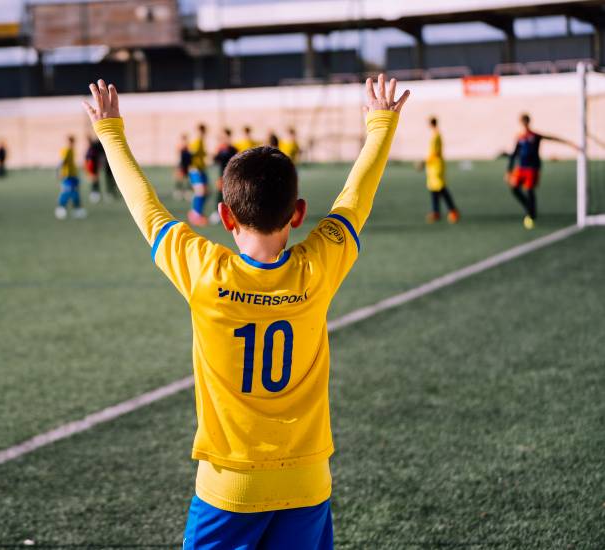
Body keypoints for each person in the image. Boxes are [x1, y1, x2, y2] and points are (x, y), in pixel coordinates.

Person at [83, 75, 409, 548]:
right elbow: (354, 202)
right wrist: (380, 125)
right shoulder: (317, 266)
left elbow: (148, 210)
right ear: (297, 214)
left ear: (226, 215)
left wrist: (110, 131)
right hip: (306, 479)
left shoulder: (204, 271)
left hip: (230, 483)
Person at [506, 113, 576, 229]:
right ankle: (529, 207)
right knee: (514, 188)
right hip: (521, 168)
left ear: (528, 122)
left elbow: (552, 138)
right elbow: (514, 154)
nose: (524, 125)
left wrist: (569, 143)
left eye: (525, 122)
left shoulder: (535, 136)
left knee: (529, 190)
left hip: (533, 167)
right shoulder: (519, 137)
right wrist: (509, 170)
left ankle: (531, 214)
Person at [425, 117, 459, 223]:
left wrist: (424, 162)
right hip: (433, 166)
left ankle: (453, 210)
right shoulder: (435, 134)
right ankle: (436, 212)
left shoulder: (436, 136)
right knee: (433, 189)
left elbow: (435, 152)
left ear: (431, 124)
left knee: (441, 188)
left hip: (436, 166)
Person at [210, 128, 238, 225]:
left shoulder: (233, 149)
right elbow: (215, 160)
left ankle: (231, 214)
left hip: (231, 175)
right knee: (219, 194)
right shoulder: (221, 149)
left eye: (226, 137)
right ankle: (216, 213)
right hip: (222, 175)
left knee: (231, 194)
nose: (225, 139)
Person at [55, 135, 86, 220]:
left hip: (73, 175)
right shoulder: (66, 150)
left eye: (72, 141)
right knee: (68, 192)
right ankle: (62, 208)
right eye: (70, 141)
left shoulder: (72, 150)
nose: (71, 143)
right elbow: (62, 161)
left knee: (74, 192)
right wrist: (58, 172)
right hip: (67, 175)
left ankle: (76, 209)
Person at [187, 123, 209, 226]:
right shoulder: (196, 142)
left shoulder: (202, 142)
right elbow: (190, 155)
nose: (202, 133)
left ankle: (197, 212)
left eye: (203, 131)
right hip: (196, 170)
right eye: (201, 131)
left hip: (202, 169)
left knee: (206, 192)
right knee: (200, 191)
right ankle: (195, 214)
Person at [173, 133, 192, 201]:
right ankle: (178, 191)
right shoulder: (180, 146)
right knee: (180, 178)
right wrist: (177, 165)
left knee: (188, 179)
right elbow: (178, 156)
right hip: (181, 164)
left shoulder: (188, 146)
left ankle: (188, 192)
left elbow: (190, 156)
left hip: (186, 164)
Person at [85, 137, 103, 203]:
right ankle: (95, 194)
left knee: (95, 182)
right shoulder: (91, 150)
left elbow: (90, 160)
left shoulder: (92, 150)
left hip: (93, 167)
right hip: (92, 168)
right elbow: (88, 160)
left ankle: (96, 194)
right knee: (94, 181)